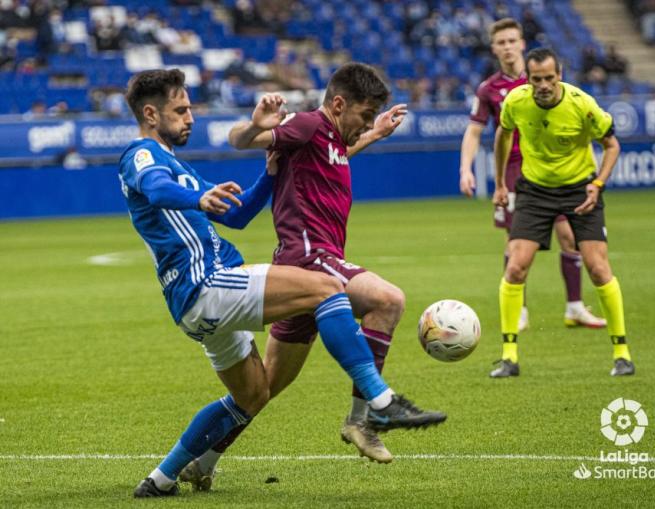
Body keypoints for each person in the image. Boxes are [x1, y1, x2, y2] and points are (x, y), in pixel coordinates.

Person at [119, 69, 446, 497]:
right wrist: (198, 196)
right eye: (181, 111)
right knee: (326, 288)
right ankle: (378, 404)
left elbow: (235, 215)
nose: (190, 118)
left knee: (253, 396)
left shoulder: (178, 166)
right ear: (150, 113)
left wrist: (269, 175)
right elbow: (156, 188)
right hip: (206, 285)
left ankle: (161, 479)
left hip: (200, 302)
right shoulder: (142, 155)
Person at [491, 48, 635, 378]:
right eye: (536, 79)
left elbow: (611, 145)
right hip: (534, 190)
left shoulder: (582, 105)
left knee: (598, 268)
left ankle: (622, 353)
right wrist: (500, 183)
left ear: (560, 75)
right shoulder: (516, 101)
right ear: (528, 78)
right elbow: (503, 134)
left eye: (549, 78)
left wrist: (598, 183)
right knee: (515, 267)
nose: (542, 85)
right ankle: (509, 357)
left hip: (579, 189)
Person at [459, 18, 606, 340]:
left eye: (513, 40)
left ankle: (575, 306)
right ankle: (520, 310)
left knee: (570, 236)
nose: (508, 47)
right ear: (495, 48)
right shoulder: (488, 90)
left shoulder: (545, 80)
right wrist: (465, 168)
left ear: (522, 44)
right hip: (514, 173)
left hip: (556, 171)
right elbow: (474, 131)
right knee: (515, 241)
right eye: (502, 42)